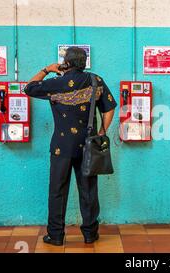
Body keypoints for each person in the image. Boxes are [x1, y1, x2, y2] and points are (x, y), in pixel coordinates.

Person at [24, 47, 116, 246]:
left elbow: (29, 87)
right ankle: (90, 234)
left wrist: (47, 69)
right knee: (88, 190)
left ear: (66, 62)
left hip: (61, 146)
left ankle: (56, 235)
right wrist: (102, 131)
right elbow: (110, 108)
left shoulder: (56, 83)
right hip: (89, 145)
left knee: (57, 190)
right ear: (84, 62)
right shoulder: (95, 81)